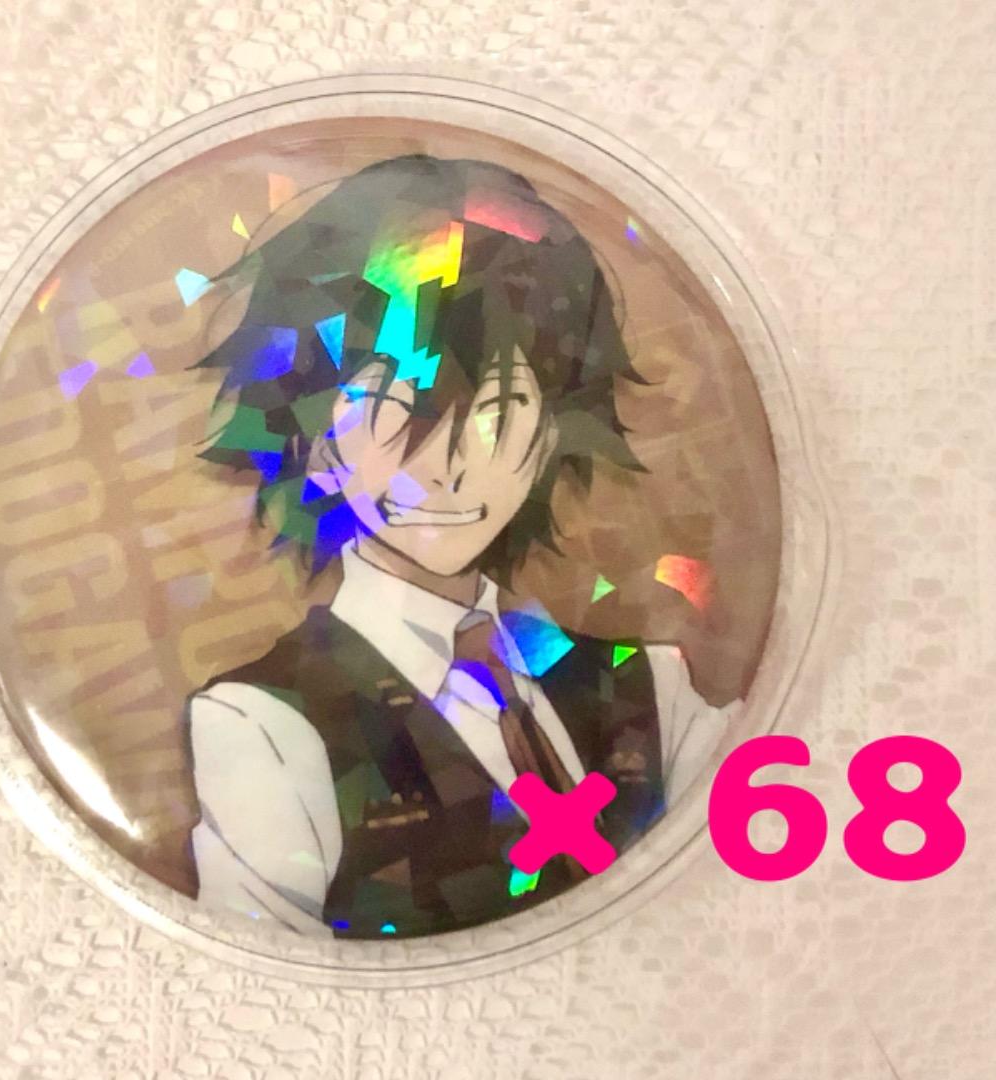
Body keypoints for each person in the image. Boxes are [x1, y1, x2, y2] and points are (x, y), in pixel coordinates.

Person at [187, 154, 740, 938]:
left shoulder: (654, 689)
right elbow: (264, 971)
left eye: (500, 409)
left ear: (553, 433)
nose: (448, 469)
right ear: (311, 440)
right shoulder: (265, 726)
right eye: (391, 408)